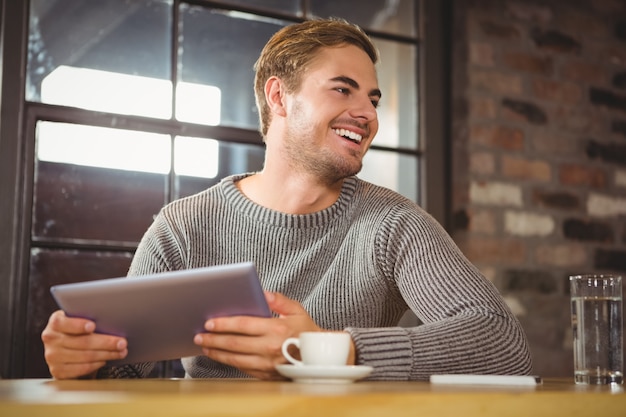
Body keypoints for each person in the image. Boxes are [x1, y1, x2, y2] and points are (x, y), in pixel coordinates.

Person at [41, 18, 532, 381]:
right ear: (278, 97)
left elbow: (502, 343)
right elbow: (119, 379)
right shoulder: (183, 227)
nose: (366, 114)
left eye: (373, 99)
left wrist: (327, 352)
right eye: (343, 90)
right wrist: (79, 362)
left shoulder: (394, 224)